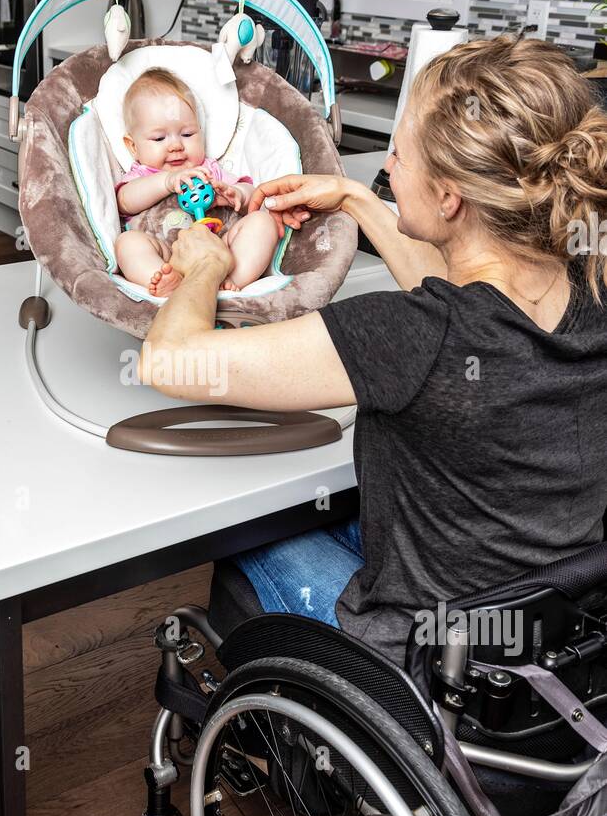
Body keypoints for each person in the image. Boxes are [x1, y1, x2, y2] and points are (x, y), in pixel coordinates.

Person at [139, 35, 607, 665]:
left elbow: (170, 360)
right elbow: (460, 307)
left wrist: (202, 264)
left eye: (400, 154)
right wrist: (356, 198)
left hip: (427, 660)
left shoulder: (407, 333)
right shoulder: (589, 282)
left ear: (449, 198)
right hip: (555, 642)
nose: (387, 164)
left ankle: (286, 731)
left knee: (251, 538)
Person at [113, 68, 278, 297]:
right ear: (133, 146)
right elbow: (124, 202)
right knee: (127, 243)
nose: (175, 146)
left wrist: (236, 193)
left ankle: (231, 280)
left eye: (188, 134)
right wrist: (167, 182)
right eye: (160, 138)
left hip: (222, 250)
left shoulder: (208, 169)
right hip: (168, 256)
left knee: (262, 221)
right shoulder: (141, 175)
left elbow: (254, 196)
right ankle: (165, 281)